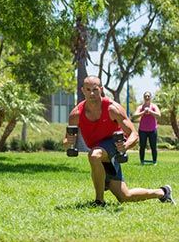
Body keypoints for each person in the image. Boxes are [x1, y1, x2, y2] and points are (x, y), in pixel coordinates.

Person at [63, 76, 173, 206]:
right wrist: (68, 141)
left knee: (94, 155)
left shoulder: (112, 109)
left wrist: (125, 146)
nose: (92, 93)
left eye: (95, 89)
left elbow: (133, 134)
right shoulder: (76, 114)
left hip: (114, 145)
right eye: (88, 90)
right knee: (125, 196)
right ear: (82, 90)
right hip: (101, 152)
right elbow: (66, 142)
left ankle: (99, 201)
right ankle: (163, 192)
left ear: (101, 89)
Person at [132, 91, 161, 165]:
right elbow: (134, 116)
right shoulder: (140, 107)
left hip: (152, 130)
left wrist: (150, 111)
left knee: (153, 146)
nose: (147, 97)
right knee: (142, 146)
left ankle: (154, 161)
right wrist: (143, 112)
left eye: (148, 96)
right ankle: (142, 161)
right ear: (144, 97)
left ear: (150, 97)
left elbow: (159, 115)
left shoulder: (154, 106)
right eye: (145, 96)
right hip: (142, 130)